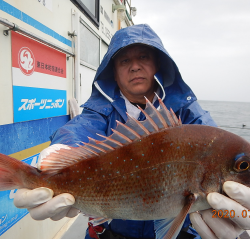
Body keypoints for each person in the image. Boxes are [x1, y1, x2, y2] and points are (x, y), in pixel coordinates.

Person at [13, 24, 250, 239]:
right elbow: (80, 129)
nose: (135, 65)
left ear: (158, 64)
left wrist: (226, 216)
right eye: (124, 61)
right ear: (113, 73)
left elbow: (218, 146)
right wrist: (60, 150)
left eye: (143, 57)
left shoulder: (190, 115)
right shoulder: (100, 113)